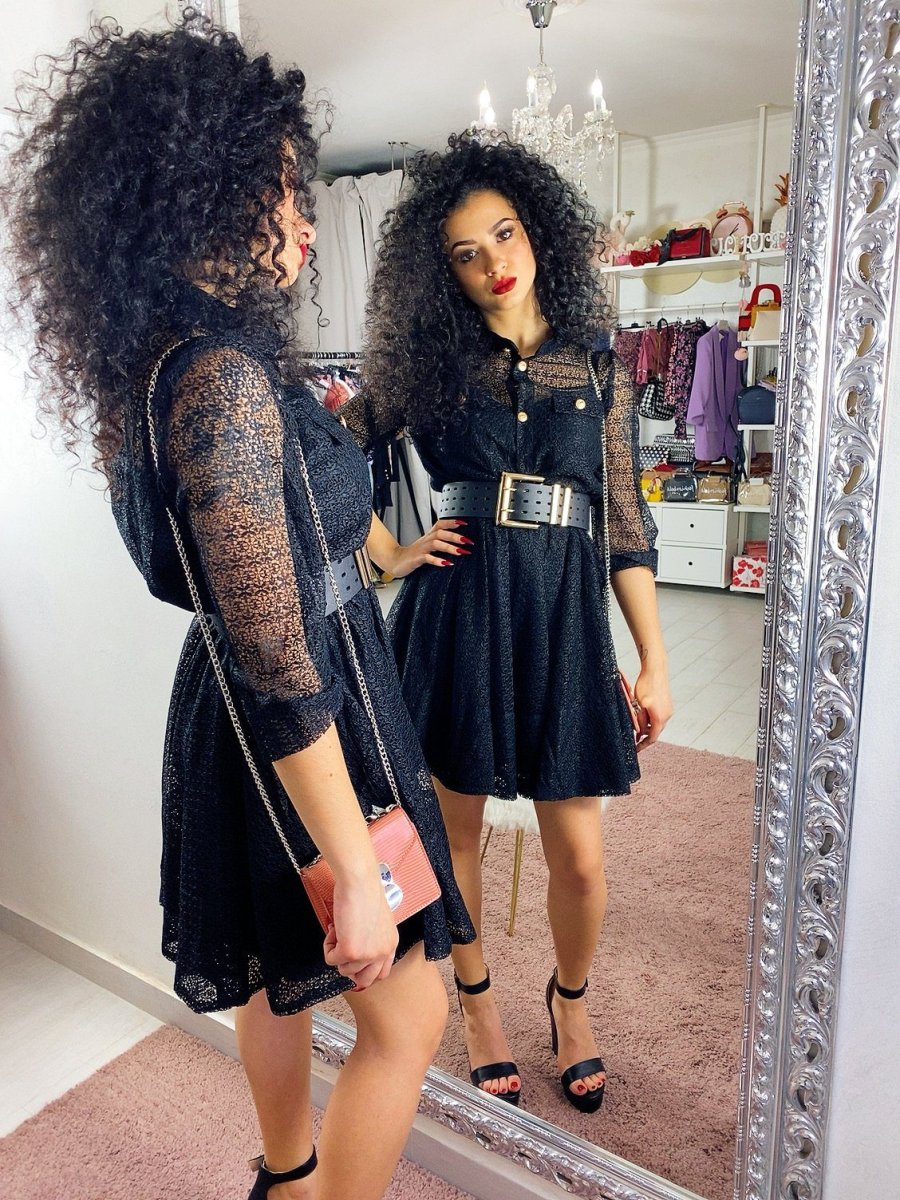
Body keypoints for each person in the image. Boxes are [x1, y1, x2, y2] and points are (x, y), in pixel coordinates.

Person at [3, 19, 474, 1200]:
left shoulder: (167, 363)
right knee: (411, 1015)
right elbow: (278, 657)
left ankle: (288, 1175)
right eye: (283, 190)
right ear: (200, 191)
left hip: (241, 714)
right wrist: (354, 868)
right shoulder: (218, 380)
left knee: (277, 974)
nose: (305, 222)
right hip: (303, 718)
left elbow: (260, 587)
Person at [341, 134, 673, 1113]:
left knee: (581, 857)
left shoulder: (597, 369)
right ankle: (478, 1004)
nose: (494, 262)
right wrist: (391, 551)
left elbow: (625, 524)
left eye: (505, 233)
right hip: (458, 614)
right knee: (457, 834)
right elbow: (327, 449)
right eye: (466, 252)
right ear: (442, 271)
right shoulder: (427, 369)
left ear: (536, 233)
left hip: (565, 619)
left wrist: (653, 660)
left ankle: (570, 999)